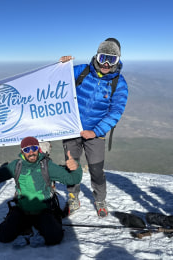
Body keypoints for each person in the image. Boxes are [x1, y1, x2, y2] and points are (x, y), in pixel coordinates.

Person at [59, 38, 128, 218]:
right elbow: (56, 80)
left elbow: (116, 112)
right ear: (96, 56)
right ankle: (73, 197)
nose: (106, 63)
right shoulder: (81, 71)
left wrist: (95, 131)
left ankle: (100, 200)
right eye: (103, 57)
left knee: (96, 169)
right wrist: (61, 66)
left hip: (95, 134)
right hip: (72, 129)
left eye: (111, 59)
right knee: (71, 167)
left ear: (118, 60)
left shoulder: (118, 84)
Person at [0, 136, 82, 245]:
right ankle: (24, 227)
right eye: (26, 149)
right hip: (22, 210)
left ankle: (34, 228)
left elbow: (73, 179)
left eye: (34, 148)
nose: (31, 152)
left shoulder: (46, 165)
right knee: (3, 236)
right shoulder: (16, 165)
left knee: (55, 237)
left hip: (43, 210)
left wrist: (76, 167)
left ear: (38, 149)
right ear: (22, 151)